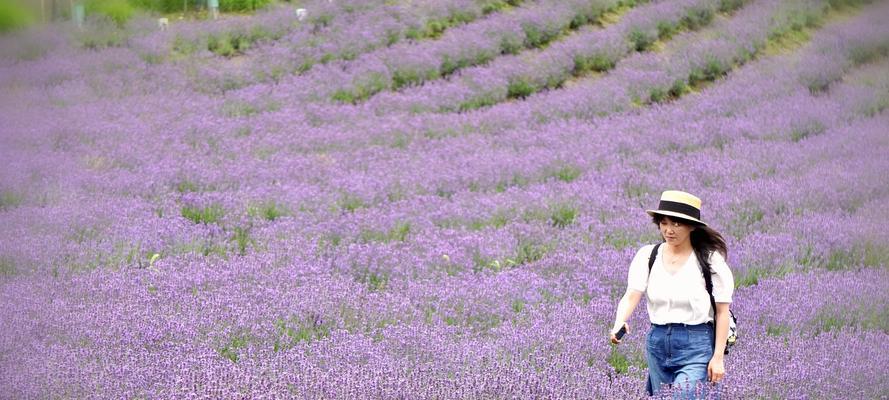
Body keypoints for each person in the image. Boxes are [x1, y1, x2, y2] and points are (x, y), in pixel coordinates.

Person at [609, 190, 734, 398]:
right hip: (657, 342)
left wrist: (718, 358)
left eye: (676, 224)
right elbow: (632, 294)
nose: (669, 230)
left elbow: (723, 312)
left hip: (696, 343)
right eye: (664, 223)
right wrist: (619, 321)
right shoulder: (648, 256)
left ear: (692, 226)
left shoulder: (710, 261)